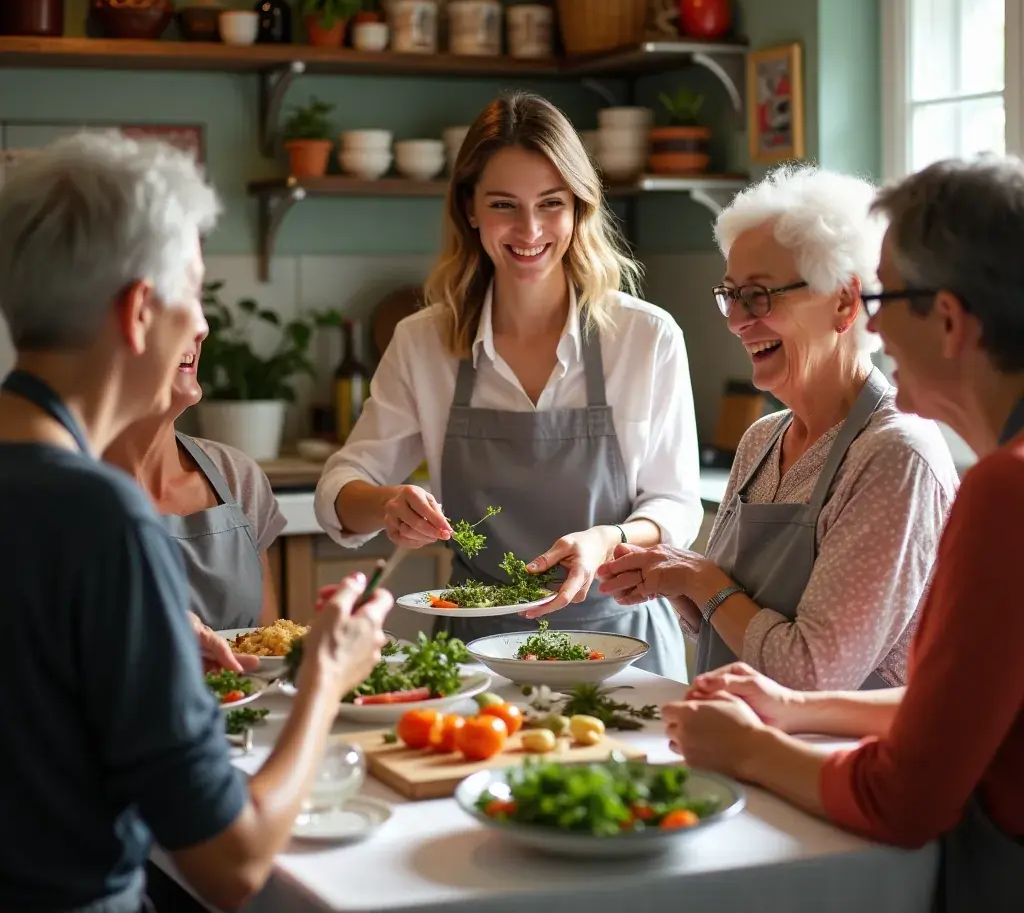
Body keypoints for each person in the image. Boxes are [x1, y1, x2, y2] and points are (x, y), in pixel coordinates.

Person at [0, 131, 391, 913]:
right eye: (194, 293)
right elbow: (231, 863)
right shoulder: (100, 517)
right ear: (141, 311)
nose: (202, 325)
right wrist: (323, 677)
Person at [663, 155, 1024, 912]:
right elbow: (949, 705)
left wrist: (756, 748)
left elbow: (907, 798)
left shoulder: (1002, 490)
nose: (875, 322)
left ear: (952, 320)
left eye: (888, 298)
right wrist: (793, 713)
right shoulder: (770, 440)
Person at [314, 91, 704, 680]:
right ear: (469, 208)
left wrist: (610, 537)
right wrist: (388, 504)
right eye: (505, 205)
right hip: (476, 657)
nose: (529, 229)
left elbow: (675, 503)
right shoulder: (424, 342)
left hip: (622, 648)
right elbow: (341, 487)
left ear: (579, 208)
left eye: (551, 204)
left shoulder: (645, 337)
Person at [597, 165, 958, 690]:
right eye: (730, 294)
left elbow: (812, 673)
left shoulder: (895, 456)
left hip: (831, 762)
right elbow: (729, 617)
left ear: (843, 301)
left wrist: (700, 577)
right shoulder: (762, 440)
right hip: (742, 747)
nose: (735, 320)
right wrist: (670, 575)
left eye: (760, 295)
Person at [105, 327, 286, 634]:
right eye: (179, 300)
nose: (200, 329)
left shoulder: (235, 476)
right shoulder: (51, 491)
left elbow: (271, 650)